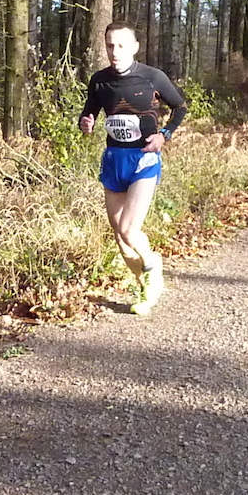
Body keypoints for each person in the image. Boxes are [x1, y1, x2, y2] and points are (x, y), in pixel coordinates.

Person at [78, 23, 187, 315]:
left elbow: (180, 107)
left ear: (135, 47)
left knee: (129, 229)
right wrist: (85, 123)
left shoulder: (153, 77)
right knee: (121, 237)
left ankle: (152, 265)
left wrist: (164, 135)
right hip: (114, 160)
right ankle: (145, 289)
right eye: (110, 45)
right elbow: (89, 112)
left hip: (143, 159)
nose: (115, 51)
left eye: (121, 45)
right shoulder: (99, 80)